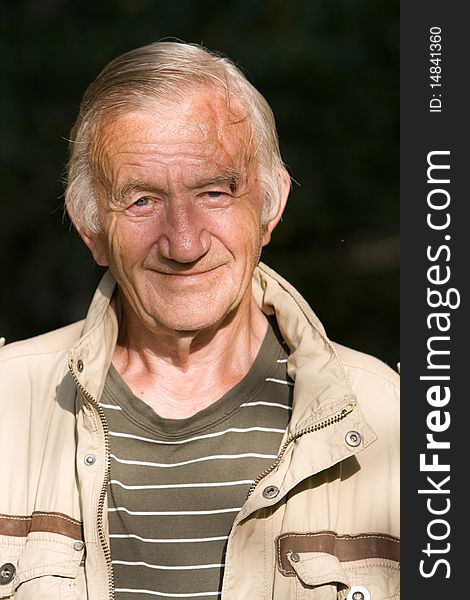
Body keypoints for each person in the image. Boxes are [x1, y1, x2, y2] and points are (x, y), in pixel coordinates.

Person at [0, 41, 399, 600]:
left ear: (270, 205)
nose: (183, 243)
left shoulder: (400, 423)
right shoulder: (6, 409)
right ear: (90, 227)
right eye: (141, 200)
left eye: (214, 192)